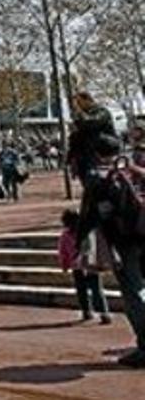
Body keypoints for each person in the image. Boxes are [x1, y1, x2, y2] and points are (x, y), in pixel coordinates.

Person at [78, 152, 145, 367]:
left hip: (124, 242)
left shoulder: (100, 178)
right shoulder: (134, 170)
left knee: (133, 292)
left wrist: (81, 240)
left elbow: (93, 214)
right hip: (141, 237)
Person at [57, 209, 113, 325]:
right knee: (97, 290)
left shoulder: (65, 236)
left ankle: (87, 311)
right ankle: (104, 313)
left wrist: (65, 265)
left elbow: (63, 252)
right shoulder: (87, 232)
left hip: (77, 267)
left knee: (82, 290)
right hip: (90, 265)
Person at [70, 91, 119, 187]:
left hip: (100, 153)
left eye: (79, 103)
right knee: (88, 185)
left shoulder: (101, 111)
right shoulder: (81, 116)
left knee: (100, 183)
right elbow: (76, 138)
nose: (78, 106)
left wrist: (79, 112)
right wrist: (72, 159)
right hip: (84, 157)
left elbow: (91, 123)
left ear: (87, 100)